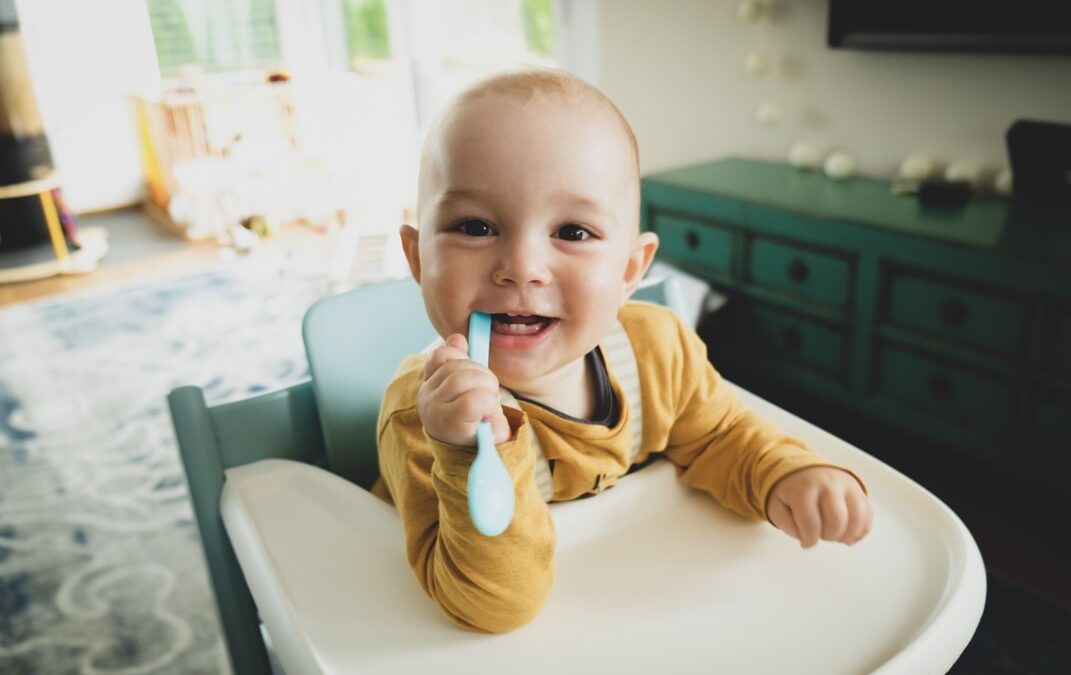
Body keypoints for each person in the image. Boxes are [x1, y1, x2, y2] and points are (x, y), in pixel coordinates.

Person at [372, 69, 872, 634]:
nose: (522, 268)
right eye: (474, 225)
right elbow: (492, 606)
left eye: (574, 232)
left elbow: (719, 435)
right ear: (417, 259)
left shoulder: (656, 351)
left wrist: (786, 474)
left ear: (632, 269)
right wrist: (466, 450)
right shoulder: (422, 418)